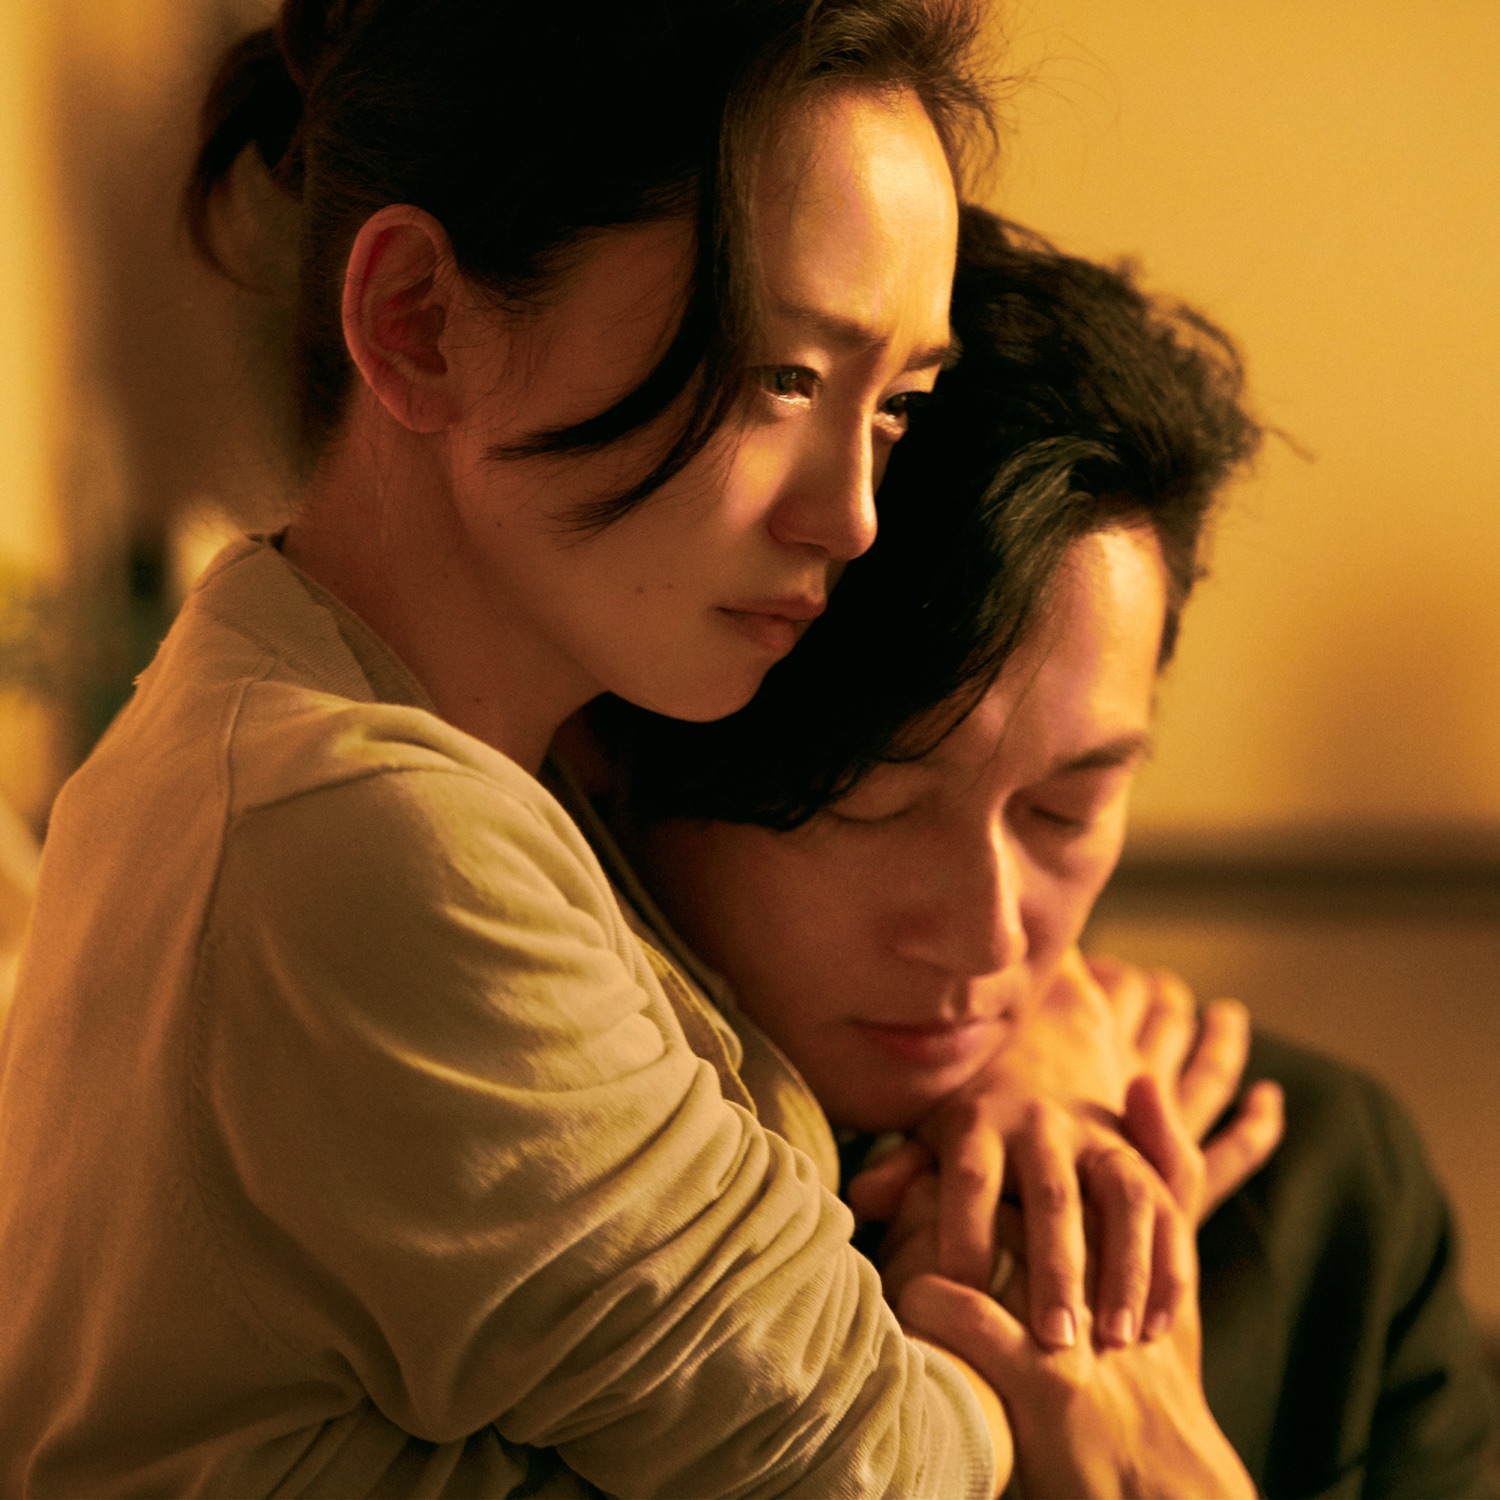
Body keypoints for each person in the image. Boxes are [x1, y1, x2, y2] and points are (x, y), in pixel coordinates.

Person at [0, 4, 1029, 1494]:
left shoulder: (412, 724)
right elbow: (871, 1463)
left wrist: (1027, 1050)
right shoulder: (360, 834)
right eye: (783, 376)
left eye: (899, 407)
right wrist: (1033, 1384)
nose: (852, 515)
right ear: (418, 319)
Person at [574, 205, 1497, 1497]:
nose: (990, 932)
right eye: (871, 806)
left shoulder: (1317, 1186)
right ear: (620, 742)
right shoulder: (553, 1195)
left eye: (1067, 810)